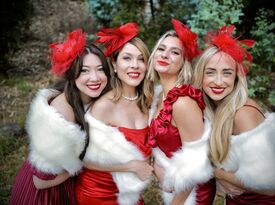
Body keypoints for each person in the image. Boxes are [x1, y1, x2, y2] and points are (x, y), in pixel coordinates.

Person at [9, 29, 111, 205]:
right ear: (72, 74)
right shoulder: (60, 114)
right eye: (85, 71)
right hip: (47, 193)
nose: (94, 77)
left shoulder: (89, 99)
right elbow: (41, 180)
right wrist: (75, 169)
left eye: (100, 69)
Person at [193, 25, 275, 204]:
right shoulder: (213, 109)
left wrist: (216, 172)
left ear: (236, 78)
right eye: (211, 72)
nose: (218, 81)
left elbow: (270, 186)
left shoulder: (242, 114)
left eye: (227, 73)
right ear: (201, 76)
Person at [75, 22, 154, 205]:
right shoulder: (104, 106)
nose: (135, 65)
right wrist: (131, 166)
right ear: (114, 64)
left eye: (141, 59)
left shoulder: (149, 102)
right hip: (98, 193)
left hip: (131, 193)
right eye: (127, 58)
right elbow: (83, 159)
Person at [147, 18, 216, 205]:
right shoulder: (159, 95)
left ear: (183, 62)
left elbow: (196, 164)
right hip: (175, 189)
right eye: (161, 49)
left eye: (174, 52)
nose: (165, 55)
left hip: (192, 195)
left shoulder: (183, 102)